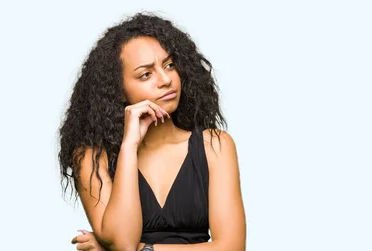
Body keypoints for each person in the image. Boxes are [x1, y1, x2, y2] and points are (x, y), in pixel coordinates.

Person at [58, 12, 246, 251]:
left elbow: (232, 248)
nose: (166, 79)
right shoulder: (91, 158)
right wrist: (129, 146)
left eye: (169, 65)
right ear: (118, 91)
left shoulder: (215, 145)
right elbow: (123, 242)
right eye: (146, 74)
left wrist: (145, 249)